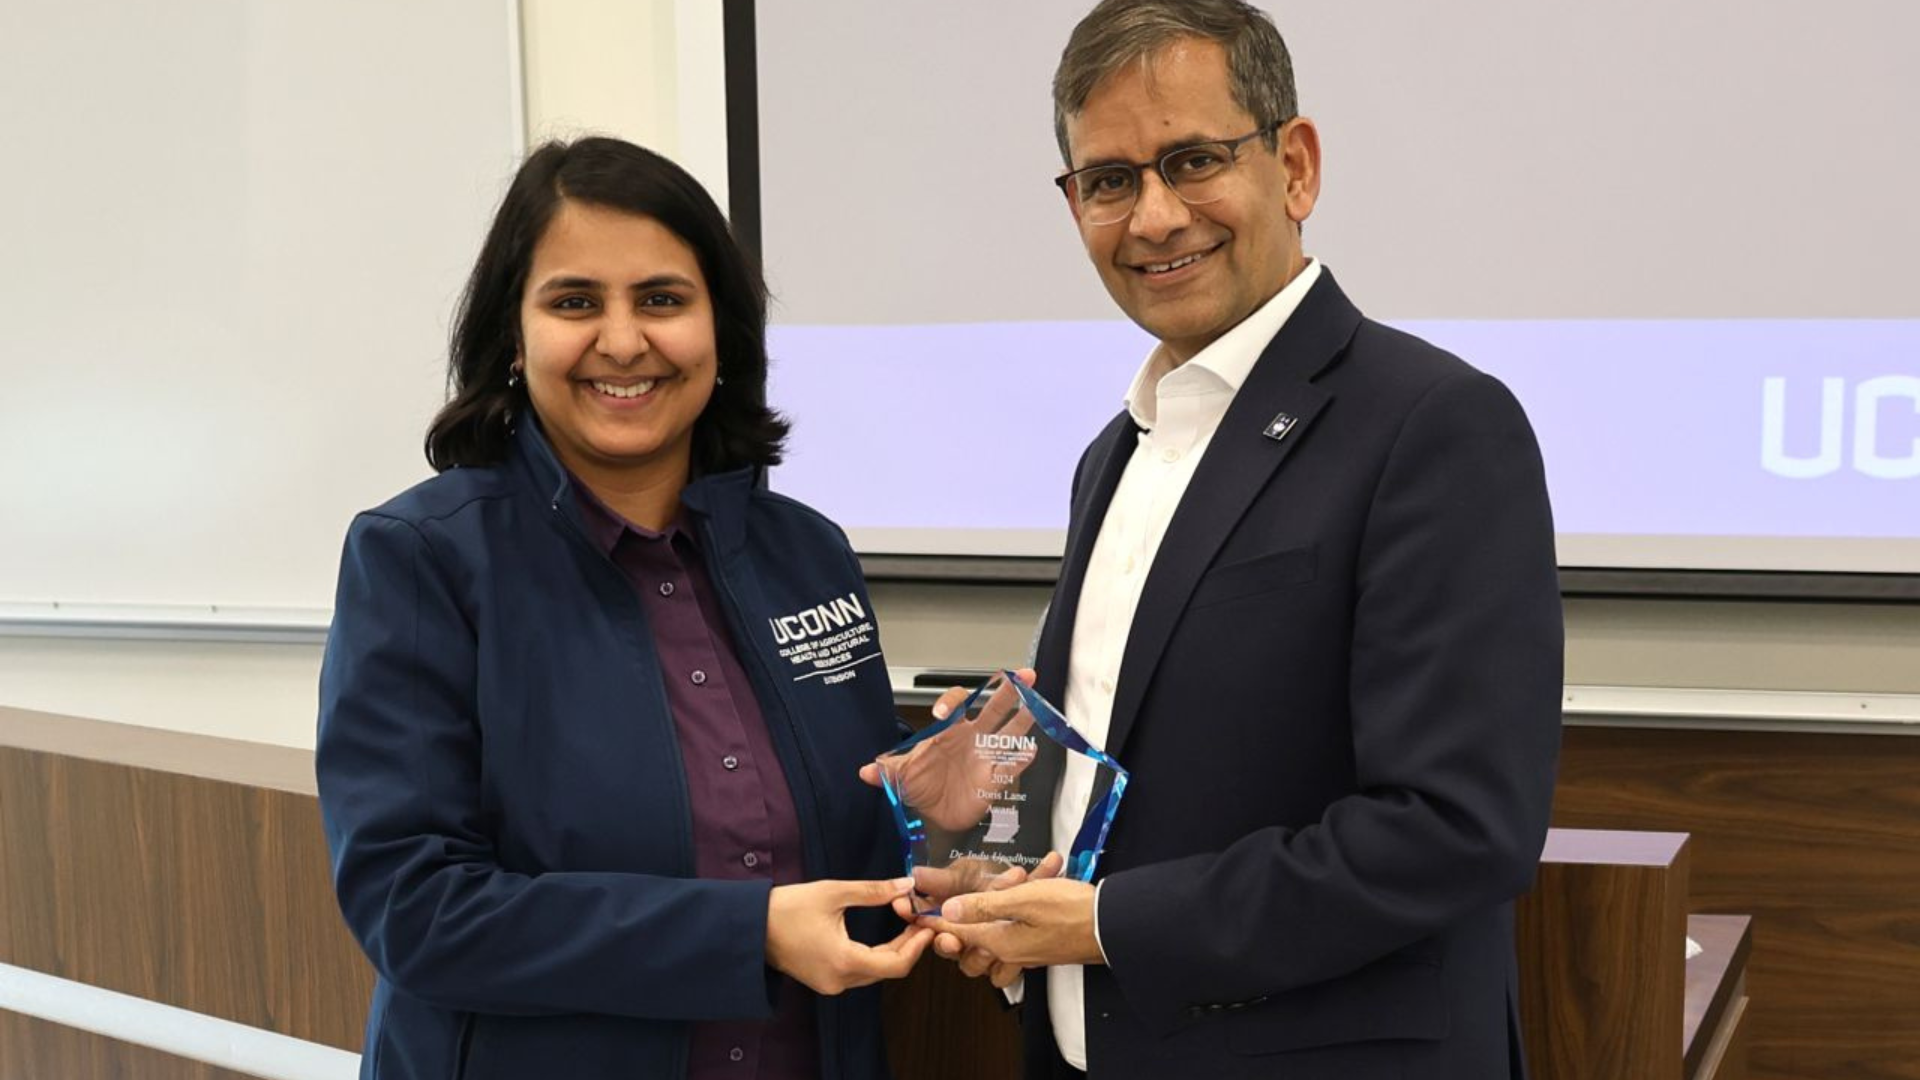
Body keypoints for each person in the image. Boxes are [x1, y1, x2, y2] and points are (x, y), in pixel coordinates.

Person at [917, 3, 1565, 1077]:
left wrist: (1105, 923)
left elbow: (1454, 827)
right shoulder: (1114, 454)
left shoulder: (1435, 424)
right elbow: (1181, 744)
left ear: (1296, 167)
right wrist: (1008, 795)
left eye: (1194, 161)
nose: (1155, 217)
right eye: (1110, 181)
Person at [316, 136, 931, 1080]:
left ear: (719, 329)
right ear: (512, 340)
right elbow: (419, 911)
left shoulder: (809, 554)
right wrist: (747, 933)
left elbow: (840, 838)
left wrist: (943, 810)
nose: (622, 340)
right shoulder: (422, 558)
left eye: (661, 298)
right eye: (574, 301)